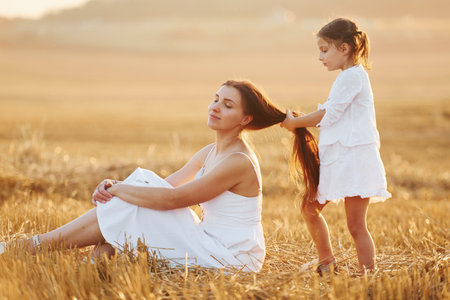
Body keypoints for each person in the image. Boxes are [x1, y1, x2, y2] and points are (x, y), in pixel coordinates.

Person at [0, 80, 318, 273]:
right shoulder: (211, 151)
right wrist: (116, 187)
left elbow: (173, 200)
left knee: (135, 199)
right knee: (125, 222)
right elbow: (166, 185)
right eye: (216, 99)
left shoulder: (238, 161)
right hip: (207, 242)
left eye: (227, 105)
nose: (215, 107)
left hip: (230, 258)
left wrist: (122, 190)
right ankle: (68, 265)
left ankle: (29, 248)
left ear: (245, 119)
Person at [281, 18, 391, 273]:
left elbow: (326, 115)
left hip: (354, 161)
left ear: (344, 48)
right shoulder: (347, 77)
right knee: (309, 209)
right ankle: (327, 263)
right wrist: (297, 121)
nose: (320, 57)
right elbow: (330, 116)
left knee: (355, 226)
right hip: (340, 160)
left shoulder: (353, 77)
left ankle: (368, 277)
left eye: (324, 50)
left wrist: (295, 123)